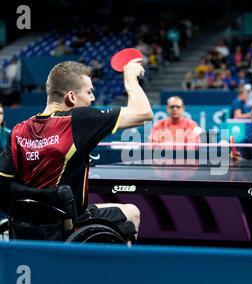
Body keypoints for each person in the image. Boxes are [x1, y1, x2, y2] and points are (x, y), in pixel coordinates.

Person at [0, 58, 153, 242]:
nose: (93, 99)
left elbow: (4, 185)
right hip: (68, 225)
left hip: (24, 229)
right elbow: (144, 113)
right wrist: (130, 77)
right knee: (132, 212)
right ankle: (119, 270)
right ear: (72, 97)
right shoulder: (77, 120)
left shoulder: (18, 130)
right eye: (89, 92)